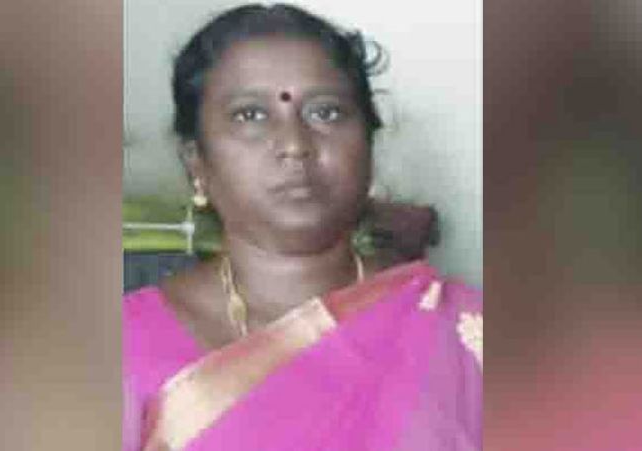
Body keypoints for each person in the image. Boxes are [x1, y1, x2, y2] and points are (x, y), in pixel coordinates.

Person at [123, 4, 482, 450]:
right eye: (250, 115)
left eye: (326, 113)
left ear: (368, 145)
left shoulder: (464, 333)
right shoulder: (122, 347)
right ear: (197, 161)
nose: (295, 145)